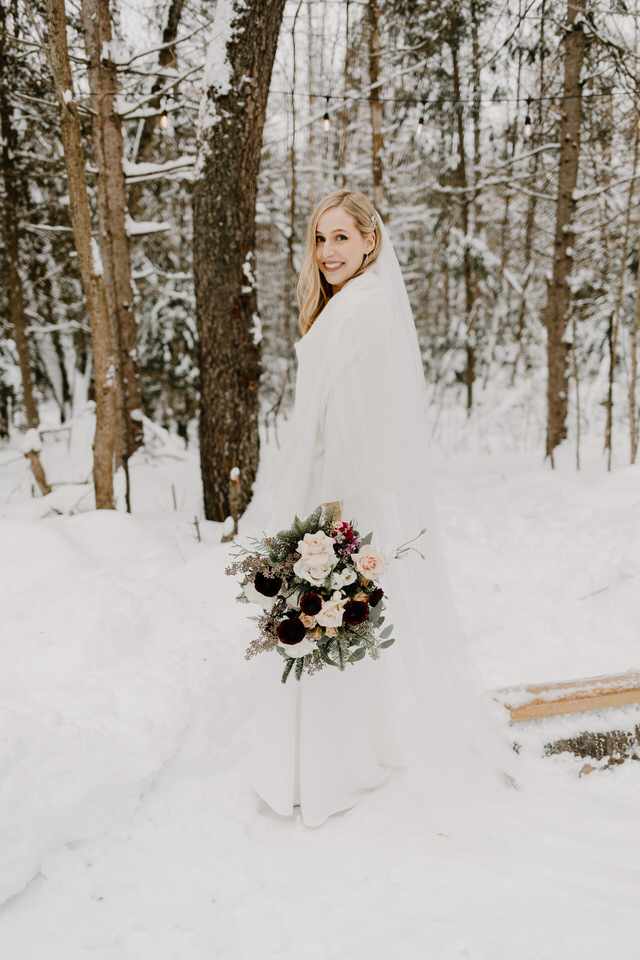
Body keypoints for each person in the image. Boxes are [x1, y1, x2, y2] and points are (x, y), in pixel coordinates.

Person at [252, 188, 505, 827]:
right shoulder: (350, 305)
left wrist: (327, 523)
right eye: (320, 238)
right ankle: (336, 759)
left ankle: (329, 767)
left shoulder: (360, 311)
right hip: (331, 486)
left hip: (335, 492)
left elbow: (355, 418)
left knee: (324, 624)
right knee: (326, 629)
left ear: (371, 240)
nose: (329, 251)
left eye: (342, 237)